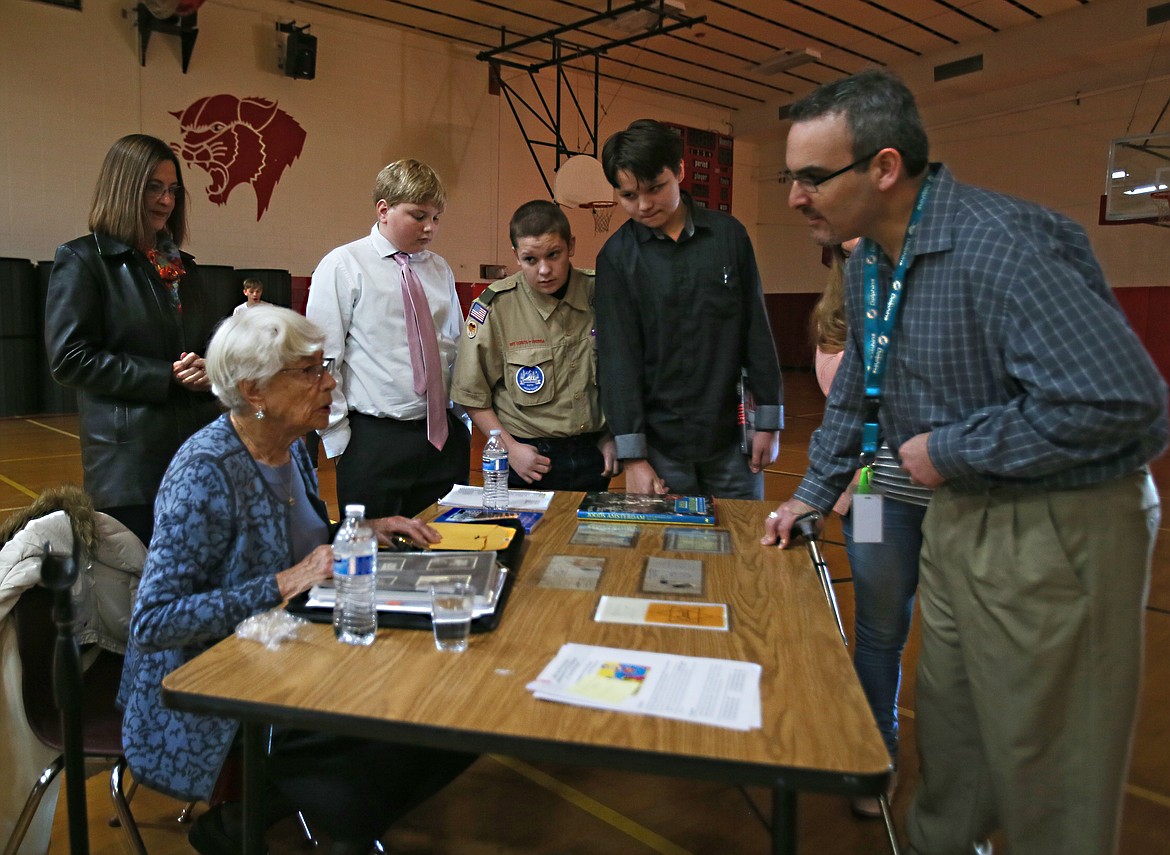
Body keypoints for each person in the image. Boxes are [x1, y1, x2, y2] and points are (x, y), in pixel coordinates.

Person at [763, 69, 1167, 855]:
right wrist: (810, 494)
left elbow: (1126, 403)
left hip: (1054, 524)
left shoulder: (1003, 243)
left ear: (883, 168)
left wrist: (947, 448)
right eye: (792, 177)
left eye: (812, 177)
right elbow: (855, 395)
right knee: (950, 736)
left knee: (1047, 766)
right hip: (933, 504)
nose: (794, 197)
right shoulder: (875, 258)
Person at [117, 306, 475, 855]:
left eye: (324, 366)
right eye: (309, 371)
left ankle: (276, 815)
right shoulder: (205, 472)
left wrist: (362, 529)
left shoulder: (290, 447)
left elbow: (295, 541)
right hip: (218, 683)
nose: (330, 380)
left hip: (293, 650)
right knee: (404, 725)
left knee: (450, 700)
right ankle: (286, 819)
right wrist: (287, 581)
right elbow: (154, 621)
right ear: (254, 390)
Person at [44, 134, 221, 546]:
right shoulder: (83, 260)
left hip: (195, 453)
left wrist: (210, 367)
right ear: (125, 189)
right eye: (154, 188)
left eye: (173, 190)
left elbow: (208, 342)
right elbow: (70, 358)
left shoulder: (184, 268)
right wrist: (166, 376)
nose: (166, 201)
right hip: (129, 469)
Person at [595, 119, 782, 499]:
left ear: (680, 171)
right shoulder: (615, 258)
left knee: (743, 548)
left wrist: (769, 421)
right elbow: (618, 360)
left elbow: (756, 332)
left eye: (655, 189)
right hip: (661, 448)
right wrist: (633, 457)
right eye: (629, 195)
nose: (644, 205)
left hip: (732, 438)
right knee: (671, 554)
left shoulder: (730, 237)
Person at [809, 237, 929, 819]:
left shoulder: (937, 300)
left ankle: (957, 776)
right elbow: (849, 413)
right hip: (878, 496)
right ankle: (876, 753)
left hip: (953, 499)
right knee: (882, 632)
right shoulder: (837, 325)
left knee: (962, 645)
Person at [307, 159, 470, 518]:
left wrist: (463, 421)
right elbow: (322, 356)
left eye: (436, 217)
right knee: (377, 558)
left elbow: (455, 346)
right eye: (418, 216)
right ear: (384, 210)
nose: (429, 228)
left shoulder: (439, 268)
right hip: (374, 439)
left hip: (441, 436)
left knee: (443, 548)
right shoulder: (343, 264)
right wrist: (336, 437)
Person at [451, 200, 620, 491]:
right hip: (529, 459)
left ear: (571, 246)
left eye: (553, 255)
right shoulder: (496, 308)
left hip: (596, 454)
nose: (544, 270)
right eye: (531, 259)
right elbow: (471, 393)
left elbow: (625, 374)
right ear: (516, 256)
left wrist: (614, 435)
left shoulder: (603, 292)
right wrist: (510, 449)